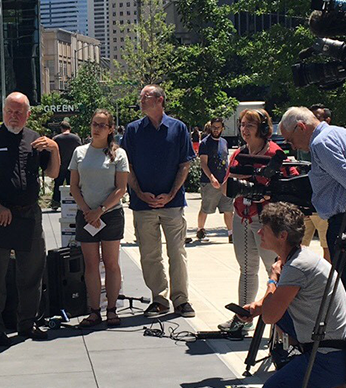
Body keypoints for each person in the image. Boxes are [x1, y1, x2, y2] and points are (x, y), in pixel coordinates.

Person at [238, 203, 346, 388]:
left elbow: (270, 317)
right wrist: (254, 309)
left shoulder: (296, 267)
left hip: (332, 356)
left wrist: (272, 278)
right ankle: (300, 365)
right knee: (281, 312)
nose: (259, 232)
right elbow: (274, 306)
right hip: (343, 344)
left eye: (264, 229)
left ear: (282, 235)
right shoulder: (301, 256)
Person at [279, 106, 346, 315]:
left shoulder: (321, 143)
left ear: (301, 127)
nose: (291, 146)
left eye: (290, 140)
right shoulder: (345, 134)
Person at [0, 92, 59, 344]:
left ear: (27, 114)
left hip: (29, 214)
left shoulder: (35, 139)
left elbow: (52, 173)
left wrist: (55, 149)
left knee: (32, 272)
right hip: (0, 214)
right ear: (3, 111)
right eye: (9, 111)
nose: (13, 116)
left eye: (19, 112)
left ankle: (28, 324)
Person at [122, 84, 197, 318]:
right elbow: (128, 166)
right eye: (141, 97)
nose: (141, 100)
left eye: (147, 97)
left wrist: (173, 192)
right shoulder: (133, 131)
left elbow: (185, 164)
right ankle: (159, 299)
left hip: (173, 204)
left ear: (160, 100)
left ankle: (181, 300)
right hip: (143, 204)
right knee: (149, 254)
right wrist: (139, 192)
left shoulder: (178, 128)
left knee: (177, 252)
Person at [218, 109, 287, 332]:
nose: (244, 129)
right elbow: (226, 187)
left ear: (263, 128)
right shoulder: (238, 155)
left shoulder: (275, 154)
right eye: (242, 125)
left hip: (267, 220)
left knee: (273, 270)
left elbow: (286, 189)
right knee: (246, 269)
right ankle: (242, 317)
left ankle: (280, 321)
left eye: (250, 125)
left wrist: (265, 190)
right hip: (242, 216)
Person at [71, 109, 130, 328]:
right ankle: (94, 310)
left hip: (111, 215)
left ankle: (112, 309)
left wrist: (101, 210)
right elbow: (74, 187)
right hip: (86, 215)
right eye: (94, 124)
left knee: (111, 263)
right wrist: (88, 210)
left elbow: (121, 188)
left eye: (102, 125)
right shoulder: (79, 152)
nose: (96, 129)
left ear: (110, 129)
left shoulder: (118, 154)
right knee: (91, 265)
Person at [196, 119, 234, 241]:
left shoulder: (224, 142)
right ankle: (200, 230)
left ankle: (231, 233)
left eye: (218, 127)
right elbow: (203, 163)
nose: (216, 130)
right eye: (214, 127)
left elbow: (226, 162)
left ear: (222, 128)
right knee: (206, 208)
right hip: (209, 183)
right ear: (210, 128)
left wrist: (228, 177)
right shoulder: (205, 143)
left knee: (228, 209)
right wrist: (211, 178)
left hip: (224, 182)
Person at [51, 120, 83, 209]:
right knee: (72, 186)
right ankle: (74, 202)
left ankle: (55, 203)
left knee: (57, 185)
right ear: (70, 128)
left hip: (59, 166)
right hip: (72, 167)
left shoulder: (56, 139)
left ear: (61, 128)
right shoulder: (76, 138)